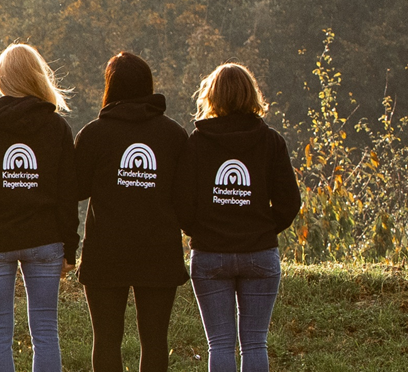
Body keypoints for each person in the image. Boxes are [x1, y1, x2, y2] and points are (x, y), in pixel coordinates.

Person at [0, 44, 78, 372]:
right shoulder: (56, 127)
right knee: (45, 331)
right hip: (45, 239)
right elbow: (67, 194)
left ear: (2, 78)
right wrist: (71, 246)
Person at [178, 64, 299, 372]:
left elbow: (182, 203)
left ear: (211, 95)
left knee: (219, 343)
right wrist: (264, 228)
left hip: (209, 254)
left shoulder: (197, 142)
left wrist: (201, 230)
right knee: (255, 343)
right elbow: (289, 202)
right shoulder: (271, 141)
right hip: (259, 253)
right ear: (251, 95)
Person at [73, 52, 189, 372]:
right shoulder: (174, 135)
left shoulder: (94, 133)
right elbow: (185, 196)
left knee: (107, 340)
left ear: (110, 87)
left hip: (105, 253)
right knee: (155, 341)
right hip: (160, 251)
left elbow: (77, 190)